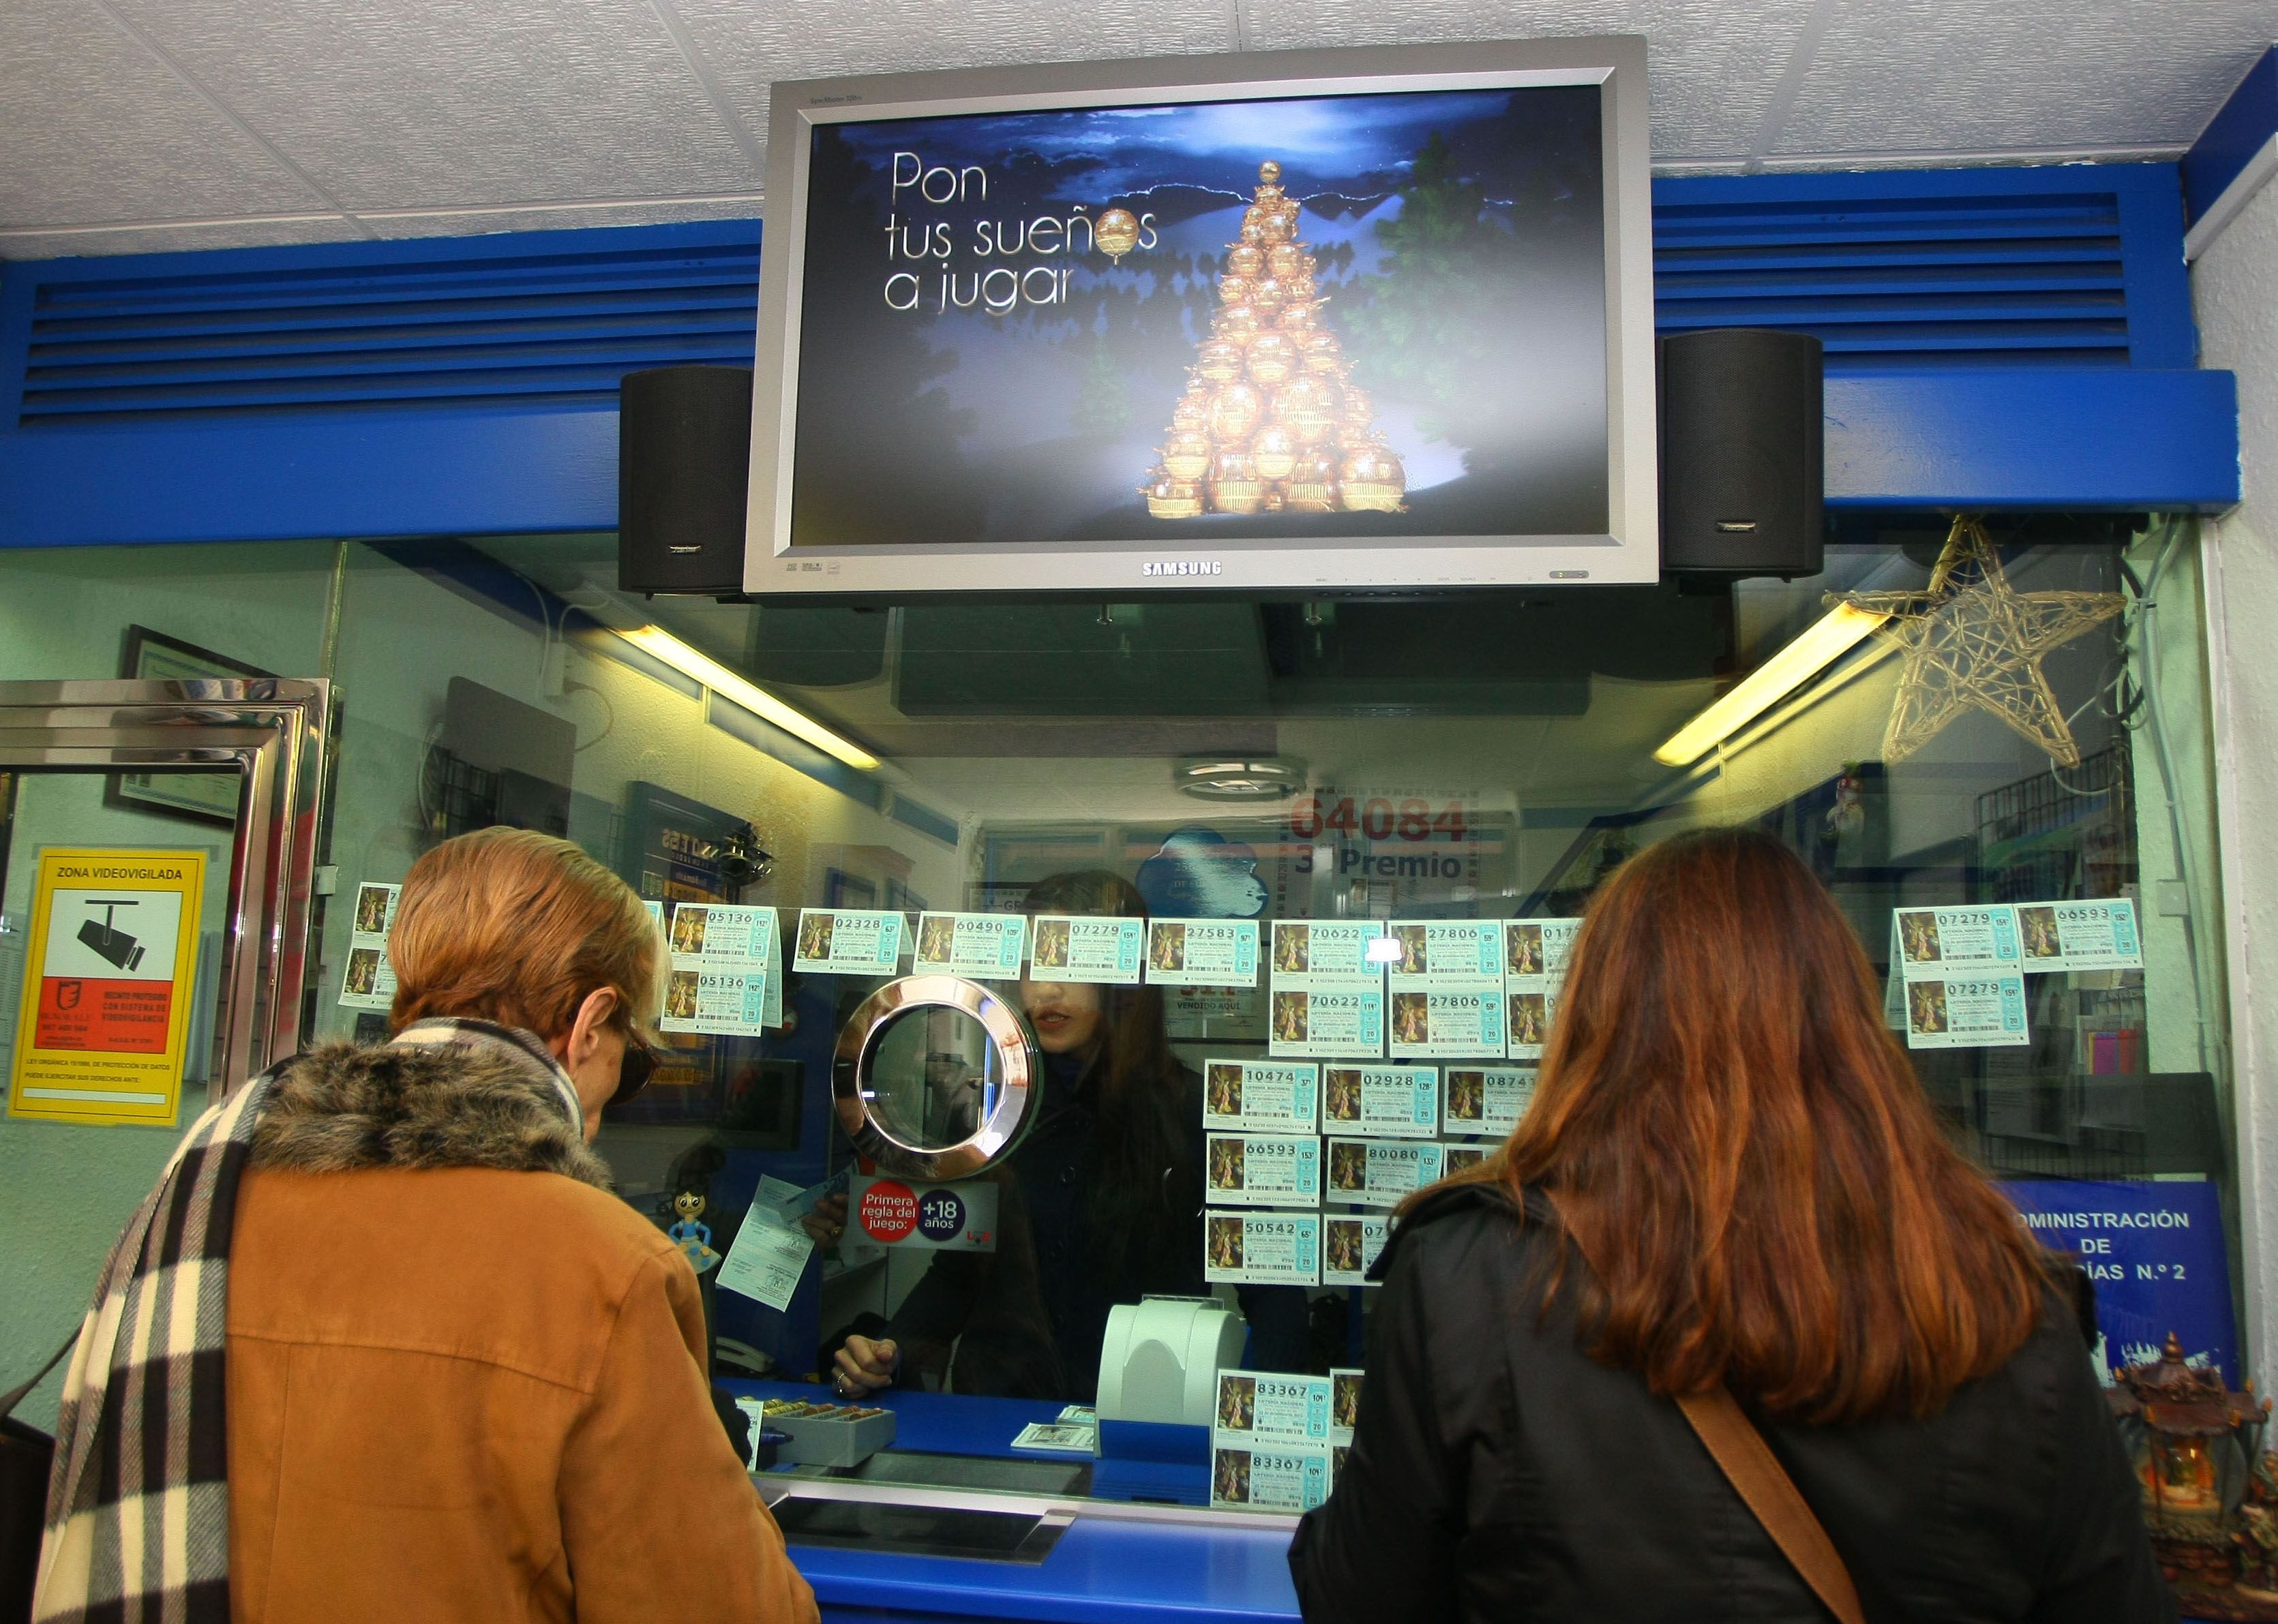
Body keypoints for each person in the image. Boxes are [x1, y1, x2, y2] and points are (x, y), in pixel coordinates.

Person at [1291, 828, 2167, 1624]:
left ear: (1596, 1022)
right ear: (1849, 1025)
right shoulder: (2006, 1304)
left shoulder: (1470, 1279)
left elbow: (1365, 1596)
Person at [34, 826, 816, 1624]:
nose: (617, 1092)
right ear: (589, 1022)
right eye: (632, 1059)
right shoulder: (604, 1264)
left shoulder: (206, 1195)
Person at [823, 870, 1306, 1401]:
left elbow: (1273, 1293)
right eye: (1034, 962)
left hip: (1141, 1411)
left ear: (1127, 976)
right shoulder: (988, 1114)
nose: (1046, 988)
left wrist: (1270, 1427)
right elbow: (961, 1269)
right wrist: (887, 1353)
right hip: (999, 1415)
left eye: (1072, 961)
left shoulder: (1200, 1113)